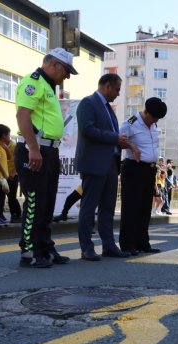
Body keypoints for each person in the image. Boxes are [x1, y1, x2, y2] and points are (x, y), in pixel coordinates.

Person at [15, 48, 77, 268]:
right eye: (67, 71)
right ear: (55, 65)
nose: (67, 76)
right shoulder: (33, 83)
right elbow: (22, 115)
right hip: (33, 150)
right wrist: (33, 148)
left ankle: (45, 247)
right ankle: (29, 252)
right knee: (34, 201)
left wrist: (54, 152)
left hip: (48, 151)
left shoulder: (49, 87)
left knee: (48, 202)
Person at [75, 73, 138, 261]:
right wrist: (114, 138)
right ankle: (86, 247)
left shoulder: (108, 109)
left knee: (108, 208)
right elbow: (87, 129)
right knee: (89, 207)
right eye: (117, 89)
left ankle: (109, 246)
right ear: (107, 86)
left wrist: (120, 143)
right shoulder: (88, 103)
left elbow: (109, 134)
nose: (118, 94)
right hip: (94, 163)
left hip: (111, 163)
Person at [119, 97, 168, 256]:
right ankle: (127, 244)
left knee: (145, 208)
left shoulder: (153, 125)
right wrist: (132, 146)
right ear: (145, 112)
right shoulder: (131, 122)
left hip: (149, 170)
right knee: (131, 208)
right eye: (153, 117)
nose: (154, 121)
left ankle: (142, 242)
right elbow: (119, 140)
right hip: (134, 168)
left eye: (157, 119)